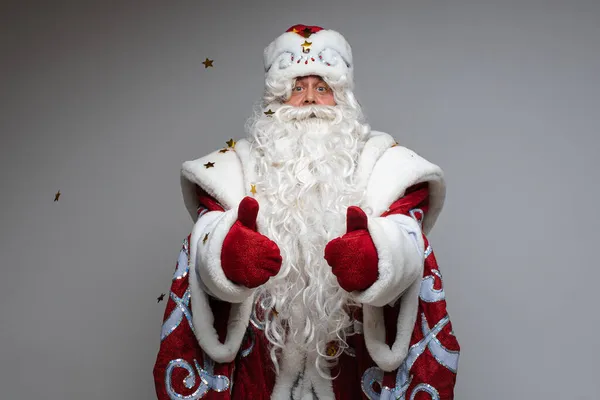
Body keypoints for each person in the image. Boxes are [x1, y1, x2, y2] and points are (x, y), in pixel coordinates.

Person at [153, 24, 460, 399]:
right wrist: (228, 254)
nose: (310, 100)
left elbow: (407, 233)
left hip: (354, 368)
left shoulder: (385, 164)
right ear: (277, 101)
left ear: (342, 98)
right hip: (261, 366)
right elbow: (205, 237)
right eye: (297, 88)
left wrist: (377, 258)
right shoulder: (234, 167)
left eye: (323, 88)